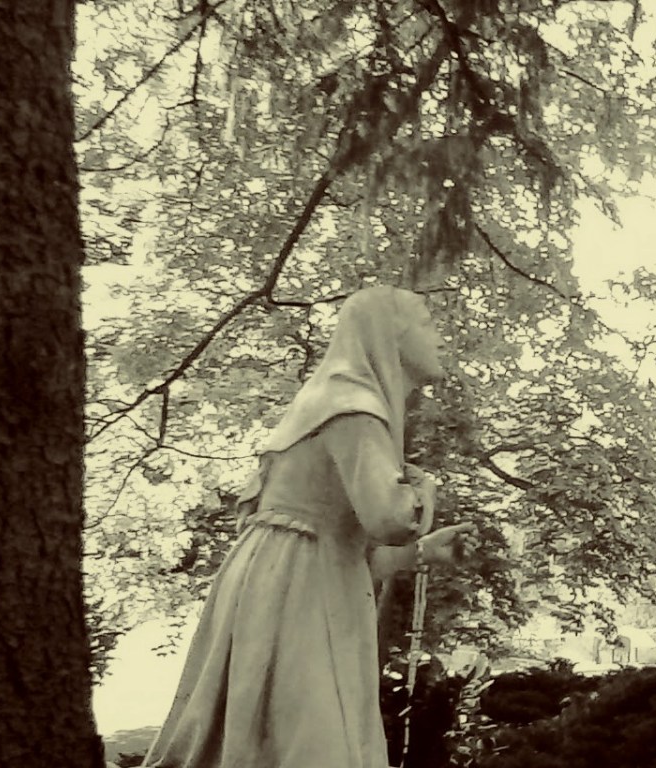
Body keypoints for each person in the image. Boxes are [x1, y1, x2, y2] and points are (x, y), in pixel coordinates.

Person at [146, 285, 475, 768]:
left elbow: (348, 548)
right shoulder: (354, 406)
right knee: (311, 741)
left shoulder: (328, 400)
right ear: (391, 336)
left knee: (284, 737)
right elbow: (389, 518)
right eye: (426, 323)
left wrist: (423, 553)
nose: (439, 337)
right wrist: (425, 491)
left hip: (285, 575)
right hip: (296, 589)